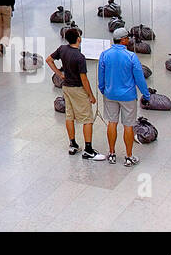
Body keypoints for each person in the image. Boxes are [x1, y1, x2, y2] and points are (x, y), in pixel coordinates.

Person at [46, 26, 105, 160]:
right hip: (78, 89)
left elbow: (49, 60)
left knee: (69, 116)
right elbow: (83, 78)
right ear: (78, 39)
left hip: (66, 87)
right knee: (87, 119)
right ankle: (88, 150)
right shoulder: (80, 57)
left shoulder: (62, 49)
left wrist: (60, 74)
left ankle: (73, 144)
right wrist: (90, 95)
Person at [97, 27, 152, 166]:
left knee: (112, 123)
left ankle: (112, 154)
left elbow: (100, 76)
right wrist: (146, 94)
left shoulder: (105, 55)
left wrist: (103, 89)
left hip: (110, 94)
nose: (129, 40)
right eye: (127, 38)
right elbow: (139, 78)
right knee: (128, 125)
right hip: (128, 97)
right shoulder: (131, 56)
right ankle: (128, 157)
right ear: (123, 40)